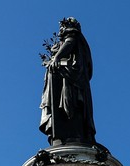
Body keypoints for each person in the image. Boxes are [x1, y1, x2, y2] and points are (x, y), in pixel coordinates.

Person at [39, 17, 96, 146]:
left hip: (72, 82)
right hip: (70, 81)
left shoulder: (73, 36)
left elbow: (69, 42)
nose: (61, 31)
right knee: (69, 106)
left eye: (62, 28)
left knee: (72, 106)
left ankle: (70, 134)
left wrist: (57, 58)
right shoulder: (73, 43)